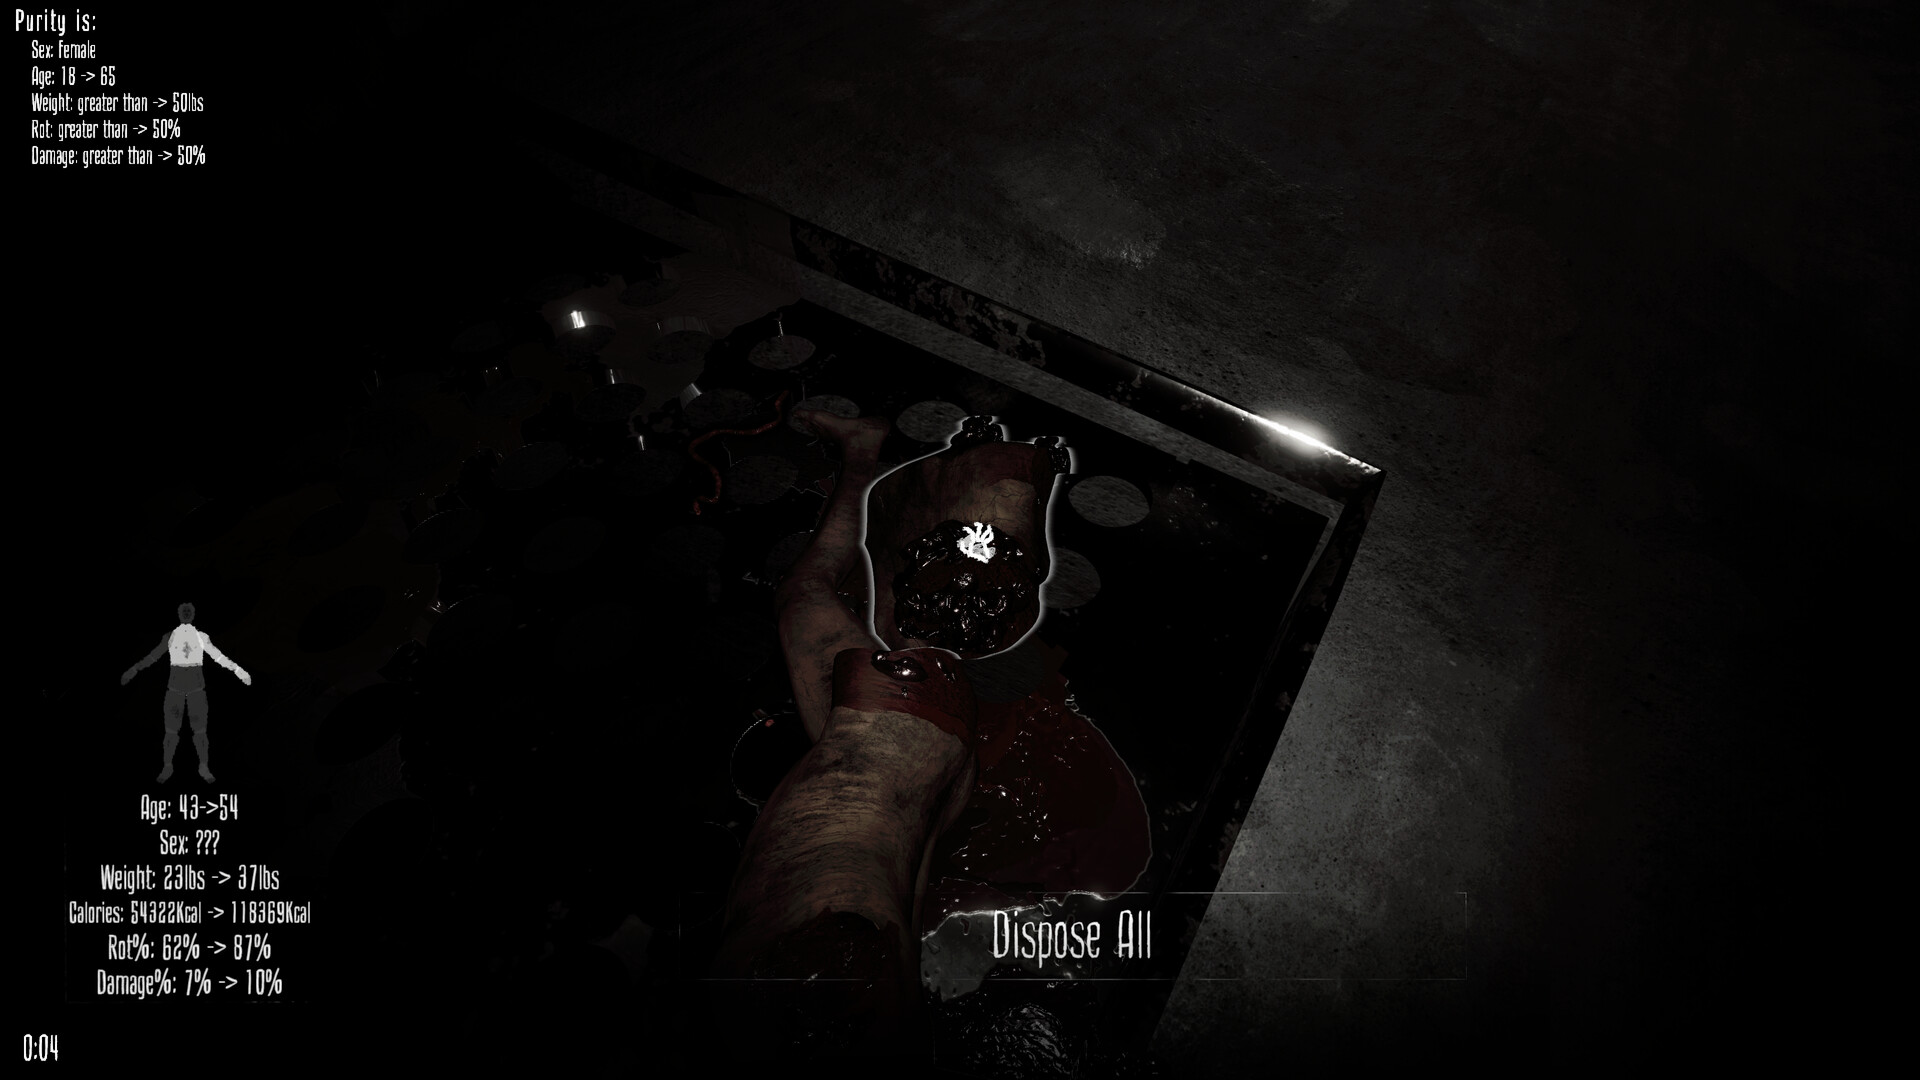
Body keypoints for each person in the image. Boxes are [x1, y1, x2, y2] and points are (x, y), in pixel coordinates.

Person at [711, 407, 1063, 1060]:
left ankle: (905, 471)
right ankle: (975, 493)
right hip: (899, 747)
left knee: (809, 596)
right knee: (859, 606)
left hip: (914, 776)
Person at [121, 603, 251, 783]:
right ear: (179, 614)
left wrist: (237, 670)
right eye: (184, 611)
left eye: (189, 611)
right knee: (171, 732)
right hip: (175, 690)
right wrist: (134, 669)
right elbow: (153, 656)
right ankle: (168, 766)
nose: (187, 613)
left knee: (200, 731)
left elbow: (218, 656)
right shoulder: (170, 637)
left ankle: (203, 766)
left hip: (196, 690)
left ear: (194, 614)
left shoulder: (201, 637)